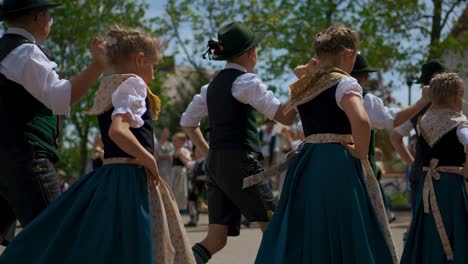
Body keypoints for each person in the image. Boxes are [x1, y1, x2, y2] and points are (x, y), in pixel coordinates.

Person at [0, 27, 195, 263]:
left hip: (108, 175)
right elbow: (118, 130)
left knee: (98, 237)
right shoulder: (134, 85)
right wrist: (148, 158)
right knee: (138, 237)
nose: (153, 74)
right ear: (140, 59)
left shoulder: (108, 85)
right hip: (131, 175)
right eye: (153, 65)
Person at [254, 25, 397, 264]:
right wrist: (361, 152)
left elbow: (286, 117)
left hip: (307, 163)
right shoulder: (345, 83)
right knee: (345, 224)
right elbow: (361, 120)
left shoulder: (307, 86)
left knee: (309, 225)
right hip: (337, 160)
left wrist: (305, 78)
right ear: (348, 54)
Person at [180, 21, 297, 264]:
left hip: (215, 165)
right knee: (276, 227)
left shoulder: (210, 87)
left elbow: (187, 123)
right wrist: (303, 84)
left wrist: (209, 153)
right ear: (250, 53)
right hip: (243, 164)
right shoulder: (246, 82)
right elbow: (286, 116)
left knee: (216, 237)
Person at [0, 0, 107, 246]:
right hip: (24, 157)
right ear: (39, 18)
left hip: (5, 158)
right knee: (58, 235)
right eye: (50, 16)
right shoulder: (24, 51)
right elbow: (61, 98)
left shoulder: (5, 50)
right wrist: (97, 65)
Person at [400, 73, 468, 264]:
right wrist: (465, 171)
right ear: (456, 97)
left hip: (426, 186)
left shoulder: (423, 122)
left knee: (429, 231)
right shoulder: (458, 123)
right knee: (452, 229)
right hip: (450, 186)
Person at [391, 60, 447, 207]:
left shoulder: (417, 110)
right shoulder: (453, 108)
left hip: (424, 174)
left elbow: (396, 138)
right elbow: (396, 138)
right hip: (446, 175)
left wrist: (414, 164)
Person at [185, 147, 207, 227]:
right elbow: (187, 164)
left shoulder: (206, 161)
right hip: (196, 186)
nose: (196, 152)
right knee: (191, 202)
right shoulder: (197, 162)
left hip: (203, 186)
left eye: (199, 150)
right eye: (196, 151)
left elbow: (210, 175)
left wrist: (201, 177)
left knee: (203, 205)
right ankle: (193, 219)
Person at [170, 132, 191, 211]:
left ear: (182, 142)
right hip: (173, 171)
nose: (174, 142)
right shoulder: (173, 150)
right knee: (173, 189)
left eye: (176, 141)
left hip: (181, 171)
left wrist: (181, 155)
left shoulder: (184, 151)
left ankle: (180, 208)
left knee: (180, 190)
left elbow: (189, 161)